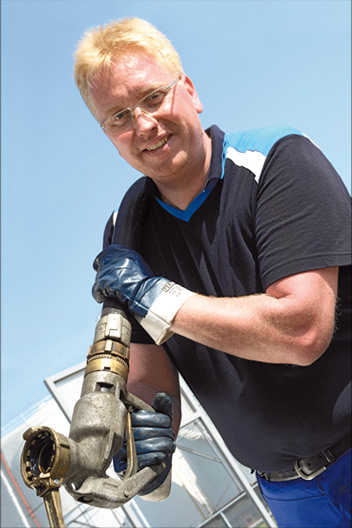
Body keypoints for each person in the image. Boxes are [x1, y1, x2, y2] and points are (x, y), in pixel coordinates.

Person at [74, 18, 351, 528]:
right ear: (108, 135)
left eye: (153, 97)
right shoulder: (124, 234)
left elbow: (302, 330)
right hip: (287, 494)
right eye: (118, 117)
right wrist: (143, 443)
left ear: (191, 91)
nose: (144, 125)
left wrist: (153, 296)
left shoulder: (276, 160)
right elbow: (151, 380)